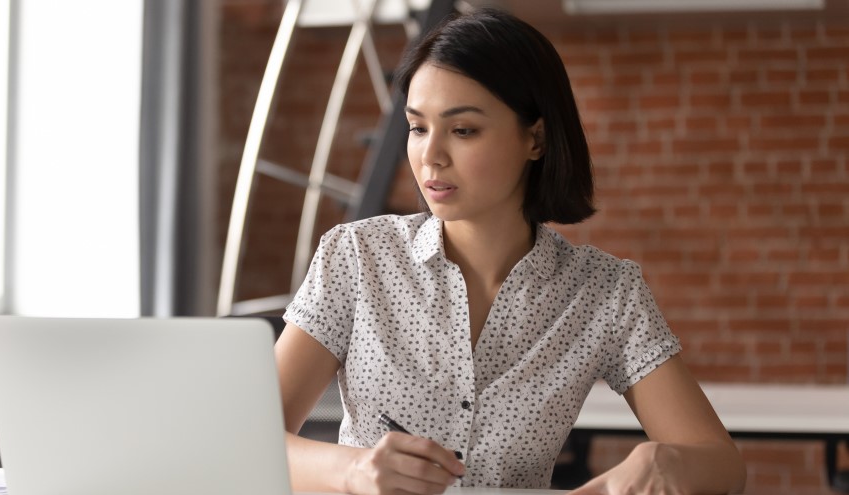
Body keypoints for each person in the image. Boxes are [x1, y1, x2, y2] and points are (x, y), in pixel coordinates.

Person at [275, 7, 746, 495]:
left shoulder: (605, 293)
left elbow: (723, 466)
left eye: (463, 130)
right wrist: (354, 471)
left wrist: (661, 460)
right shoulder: (356, 257)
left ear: (536, 139)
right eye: (418, 127)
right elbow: (243, 439)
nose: (430, 155)